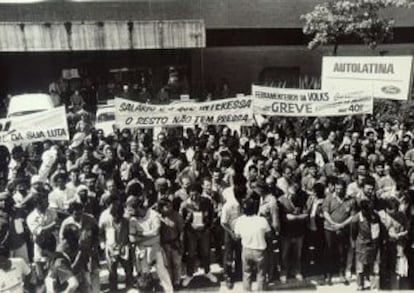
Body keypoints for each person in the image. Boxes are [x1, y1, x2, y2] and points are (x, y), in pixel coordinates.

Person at [129, 197, 173, 292]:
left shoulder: (153, 215)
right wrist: (149, 235)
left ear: (138, 207)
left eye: (132, 209)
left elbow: (155, 232)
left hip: (155, 248)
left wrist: (140, 235)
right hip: (142, 251)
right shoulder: (132, 219)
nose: (129, 211)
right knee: (145, 277)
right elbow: (132, 239)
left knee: (162, 273)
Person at [180, 183, 217, 287]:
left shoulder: (207, 202)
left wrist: (206, 226)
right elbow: (181, 221)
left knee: (206, 252)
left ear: (200, 193)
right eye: (191, 195)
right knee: (191, 254)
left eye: (196, 194)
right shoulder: (184, 205)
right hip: (191, 233)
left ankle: (207, 271)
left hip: (204, 232)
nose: (194, 197)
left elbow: (211, 216)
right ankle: (189, 274)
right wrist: (189, 224)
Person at [322, 178, 355, 285]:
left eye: (341, 189)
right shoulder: (329, 198)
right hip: (329, 229)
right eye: (337, 189)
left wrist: (341, 225)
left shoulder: (350, 199)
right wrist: (333, 224)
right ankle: (328, 275)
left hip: (343, 229)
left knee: (342, 252)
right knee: (329, 251)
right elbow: (325, 213)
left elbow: (352, 215)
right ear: (334, 188)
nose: (339, 191)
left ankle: (341, 273)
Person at [234, 197, 271, 291]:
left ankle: (247, 290)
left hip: (246, 250)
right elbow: (269, 234)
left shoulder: (240, 220)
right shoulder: (262, 220)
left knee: (246, 273)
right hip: (260, 251)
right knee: (261, 273)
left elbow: (237, 236)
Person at [99, 200, 133, 291]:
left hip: (124, 248)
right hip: (111, 249)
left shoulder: (127, 221)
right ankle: (113, 289)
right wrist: (103, 244)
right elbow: (100, 233)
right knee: (112, 270)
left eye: (119, 215)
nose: (117, 217)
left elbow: (131, 234)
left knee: (128, 269)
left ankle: (129, 287)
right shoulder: (106, 221)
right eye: (115, 215)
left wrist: (128, 245)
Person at [351, 199, 382, 291]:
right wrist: (355, 244)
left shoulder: (375, 216)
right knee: (360, 268)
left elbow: (377, 231)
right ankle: (360, 286)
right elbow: (353, 233)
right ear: (363, 210)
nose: (370, 212)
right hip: (361, 246)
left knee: (375, 267)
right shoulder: (356, 219)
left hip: (374, 245)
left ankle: (374, 287)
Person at [158, 198, 184, 289]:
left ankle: (177, 281)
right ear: (161, 208)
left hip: (175, 243)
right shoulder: (158, 217)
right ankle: (169, 281)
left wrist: (181, 243)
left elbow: (181, 231)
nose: (170, 208)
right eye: (166, 207)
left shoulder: (177, 216)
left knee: (176, 263)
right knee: (167, 264)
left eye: (170, 206)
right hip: (164, 244)